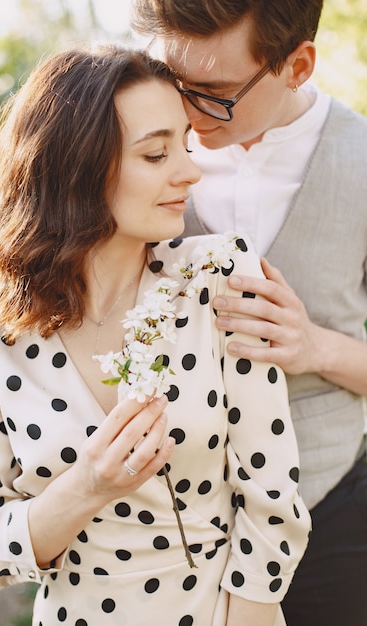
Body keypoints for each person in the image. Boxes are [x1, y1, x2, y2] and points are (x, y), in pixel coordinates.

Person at [0, 46, 310, 626]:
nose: (188, 171)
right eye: (156, 153)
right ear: (76, 167)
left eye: (185, 147)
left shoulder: (218, 278)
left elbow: (272, 499)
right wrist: (89, 485)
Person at [131, 2, 367, 625]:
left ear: (297, 65)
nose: (185, 111)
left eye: (214, 94)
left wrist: (316, 347)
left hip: (331, 513)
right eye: (175, 82)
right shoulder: (129, 149)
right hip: (162, 528)